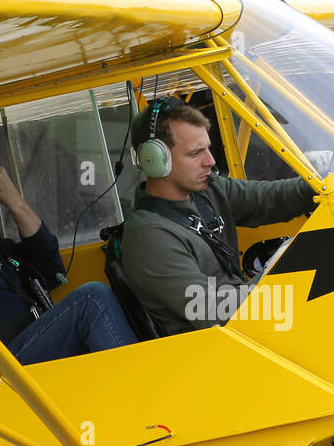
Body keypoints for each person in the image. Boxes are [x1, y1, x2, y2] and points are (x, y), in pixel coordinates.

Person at [0, 137, 137, 365]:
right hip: (0, 366)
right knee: (92, 300)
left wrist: (15, 201)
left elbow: (52, 271)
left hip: (27, 344)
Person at [120, 97, 317, 335]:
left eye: (208, 149)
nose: (210, 161)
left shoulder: (207, 191)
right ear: (155, 161)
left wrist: (320, 182)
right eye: (195, 153)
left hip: (251, 327)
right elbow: (216, 311)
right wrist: (279, 270)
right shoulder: (149, 237)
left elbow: (270, 199)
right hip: (216, 351)